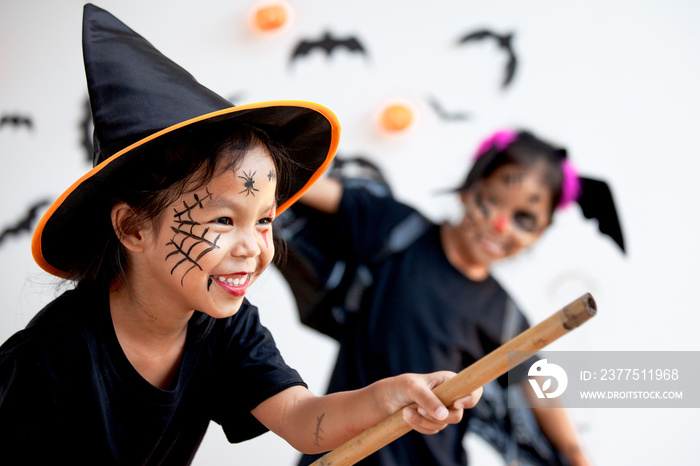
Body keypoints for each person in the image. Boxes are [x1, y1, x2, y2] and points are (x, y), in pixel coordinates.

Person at [0, 5, 482, 465]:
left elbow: (300, 417)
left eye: (265, 220)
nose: (254, 248)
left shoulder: (222, 328)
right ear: (132, 227)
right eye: (224, 221)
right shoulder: (54, 357)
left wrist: (391, 396)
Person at [288, 129, 618, 466]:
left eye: (524, 219)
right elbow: (296, 183)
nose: (501, 225)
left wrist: (576, 454)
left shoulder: (502, 314)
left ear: (541, 232)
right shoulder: (398, 231)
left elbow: (537, 382)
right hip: (340, 455)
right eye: (490, 201)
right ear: (468, 188)